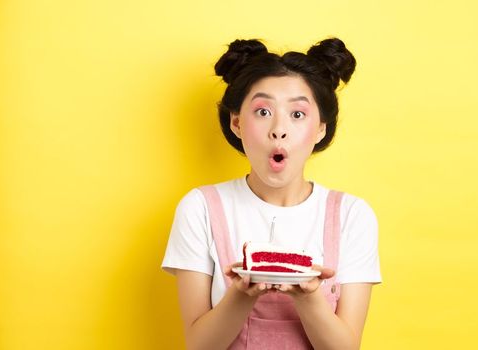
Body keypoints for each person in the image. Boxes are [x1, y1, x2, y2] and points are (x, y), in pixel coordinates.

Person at [161, 37, 381, 349]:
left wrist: (308, 298)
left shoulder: (352, 215)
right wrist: (240, 294)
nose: (279, 129)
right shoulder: (200, 207)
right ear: (236, 122)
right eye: (263, 112)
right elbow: (198, 346)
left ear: (320, 128)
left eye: (297, 114)